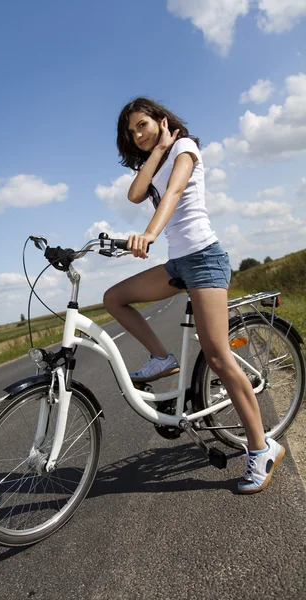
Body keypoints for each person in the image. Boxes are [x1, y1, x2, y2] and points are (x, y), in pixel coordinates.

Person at [103, 97, 285, 494]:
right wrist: (156, 150)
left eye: (142, 126)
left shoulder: (186, 149)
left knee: (217, 355)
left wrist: (150, 233)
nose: (137, 135)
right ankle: (161, 357)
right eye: (132, 132)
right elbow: (136, 194)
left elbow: (173, 193)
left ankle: (262, 447)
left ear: (161, 121)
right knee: (114, 297)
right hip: (180, 265)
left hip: (204, 259)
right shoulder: (162, 155)